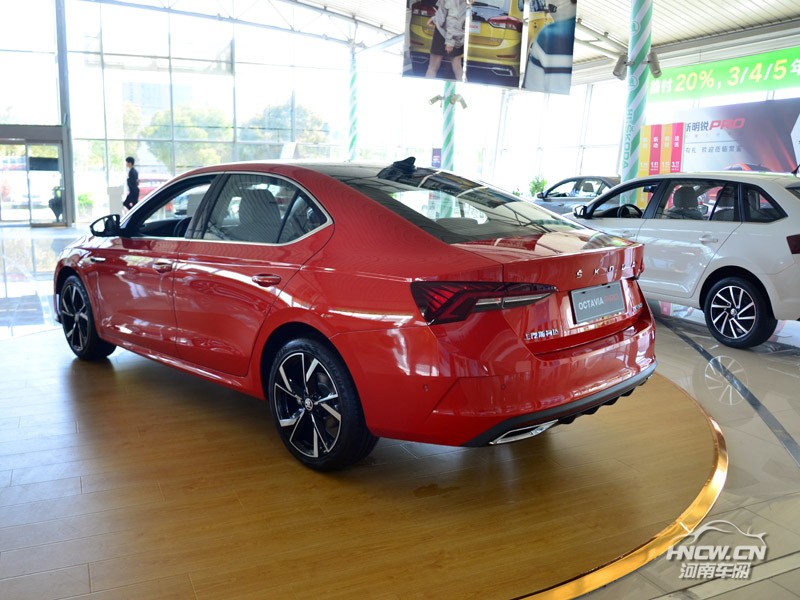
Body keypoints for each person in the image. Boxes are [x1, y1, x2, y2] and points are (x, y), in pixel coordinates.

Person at [425, 0, 468, 80]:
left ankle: (427, 87)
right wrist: (435, 19)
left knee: (433, 67)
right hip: (456, 33)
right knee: (458, 68)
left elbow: (453, 17)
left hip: (446, 33)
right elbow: (449, 10)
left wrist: (450, 41)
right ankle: (464, 87)